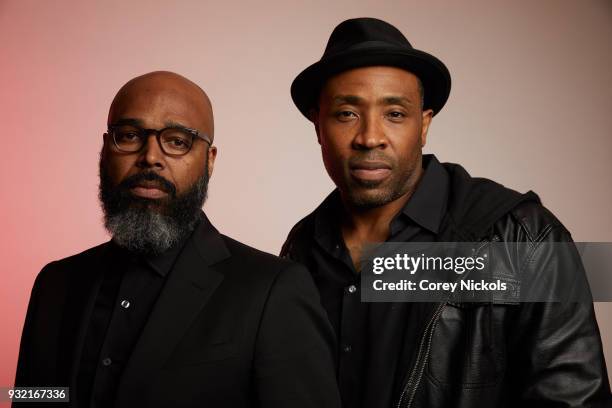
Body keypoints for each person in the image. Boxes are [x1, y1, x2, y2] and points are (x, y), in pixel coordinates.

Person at [282, 17, 611, 408]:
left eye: (395, 114)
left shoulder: (523, 235)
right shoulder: (302, 247)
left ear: (424, 126)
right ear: (318, 126)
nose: (370, 137)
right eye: (346, 114)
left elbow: (575, 400)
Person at [14, 71, 341, 408]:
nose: (150, 157)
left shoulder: (274, 290)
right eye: (128, 135)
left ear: (209, 161)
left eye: (177, 141)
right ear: (105, 150)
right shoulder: (54, 284)